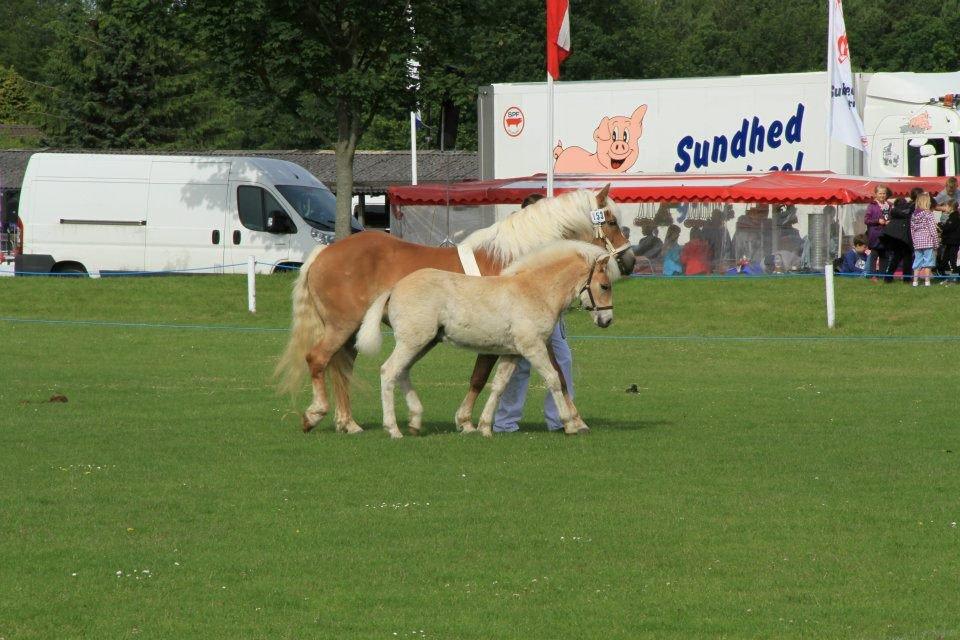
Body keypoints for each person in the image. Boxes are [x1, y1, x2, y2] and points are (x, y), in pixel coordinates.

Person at [493, 194, 574, 433]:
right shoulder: (514, 242)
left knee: (563, 360)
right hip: (522, 312)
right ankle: (505, 422)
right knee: (519, 366)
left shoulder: (554, 242)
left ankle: (560, 418)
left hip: (550, 313)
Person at [881, 187, 919, 284]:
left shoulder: (903, 207)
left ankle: (888, 278)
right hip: (904, 235)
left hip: (896, 235)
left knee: (896, 256)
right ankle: (906, 279)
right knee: (907, 257)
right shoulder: (913, 206)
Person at [910, 192, 939, 287]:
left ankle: (915, 281)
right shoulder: (928, 214)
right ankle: (927, 281)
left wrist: (914, 242)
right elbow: (932, 229)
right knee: (928, 262)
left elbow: (912, 230)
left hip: (917, 242)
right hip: (928, 241)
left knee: (917, 261)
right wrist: (936, 243)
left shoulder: (914, 215)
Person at [863, 184, 891, 277]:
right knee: (874, 256)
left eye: (884, 193)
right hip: (875, 235)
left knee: (884, 255)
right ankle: (872, 275)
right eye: (880, 193)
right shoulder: (872, 206)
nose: (882, 195)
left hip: (886, 234)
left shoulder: (889, 205)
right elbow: (866, 220)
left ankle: (882, 275)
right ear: (875, 194)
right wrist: (877, 221)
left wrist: (890, 222)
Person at [937, 200, 960, 281]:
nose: (944, 208)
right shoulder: (952, 216)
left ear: (951, 207)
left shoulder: (954, 217)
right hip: (949, 242)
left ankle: (955, 277)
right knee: (945, 259)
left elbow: (948, 228)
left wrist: (941, 227)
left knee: (952, 259)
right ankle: (945, 275)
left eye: (946, 206)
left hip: (953, 242)